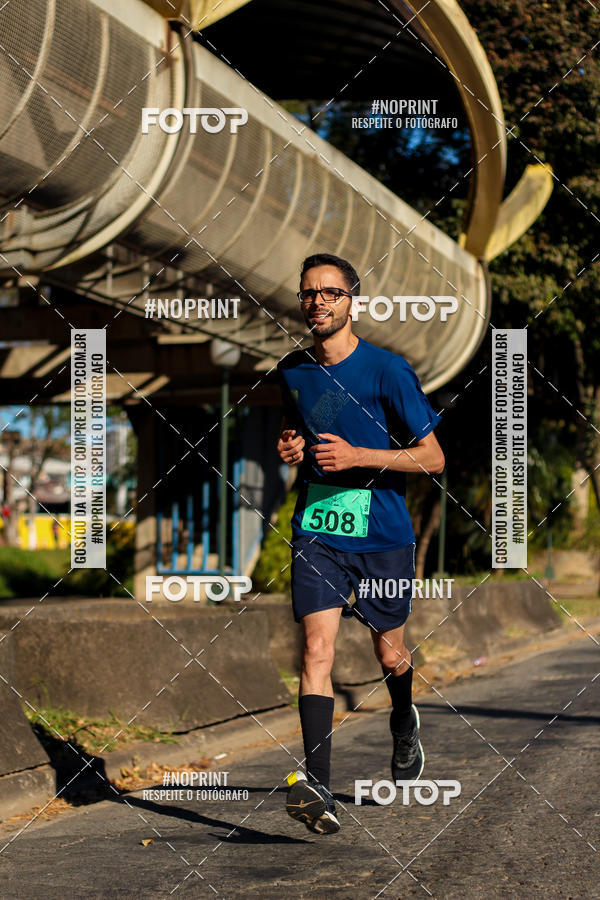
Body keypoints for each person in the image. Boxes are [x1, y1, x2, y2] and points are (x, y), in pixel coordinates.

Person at [276, 253, 444, 835]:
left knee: (388, 653)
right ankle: (317, 786)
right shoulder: (292, 371)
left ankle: (403, 719)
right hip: (320, 524)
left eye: (330, 292)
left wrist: (359, 457)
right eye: (308, 293)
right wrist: (293, 448)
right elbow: (303, 425)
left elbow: (433, 458)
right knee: (315, 652)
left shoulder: (387, 371)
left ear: (352, 301)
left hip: (382, 533)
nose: (317, 301)